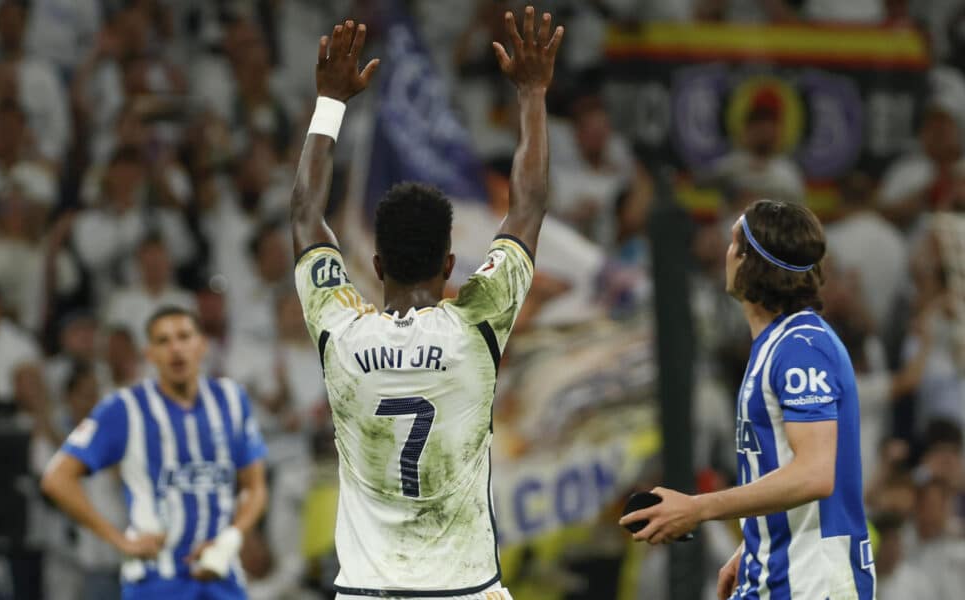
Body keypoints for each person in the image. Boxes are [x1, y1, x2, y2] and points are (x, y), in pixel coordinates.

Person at [289, 8, 562, 598]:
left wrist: (329, 102)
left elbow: (307, 216)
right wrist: (533, 93)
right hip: (464, 589)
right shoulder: (478, 325)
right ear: (449, 265)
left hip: (367, 591)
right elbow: (528, 205)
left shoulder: (340, 330)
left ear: (377, 266)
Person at [619, 200, 876, 599]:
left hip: (811, 584)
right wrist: (756, 542)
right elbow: (787, 469)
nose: (725, 253)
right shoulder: (779, 344)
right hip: (776, 573)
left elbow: (815, 473)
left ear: (750, 262)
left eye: (733, 242)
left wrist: (698, 508)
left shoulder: (802, 348)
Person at [40, 306, 268, 599]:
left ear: (202, 345)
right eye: (163, 341)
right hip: (154, 581)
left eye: (184, 336)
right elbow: (56, 478)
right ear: (149, 354)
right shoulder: (126, 408)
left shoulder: (231, 400)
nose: (175, 349)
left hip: (222, 575)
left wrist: (232, 538)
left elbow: (255, 485)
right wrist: (119, 540)